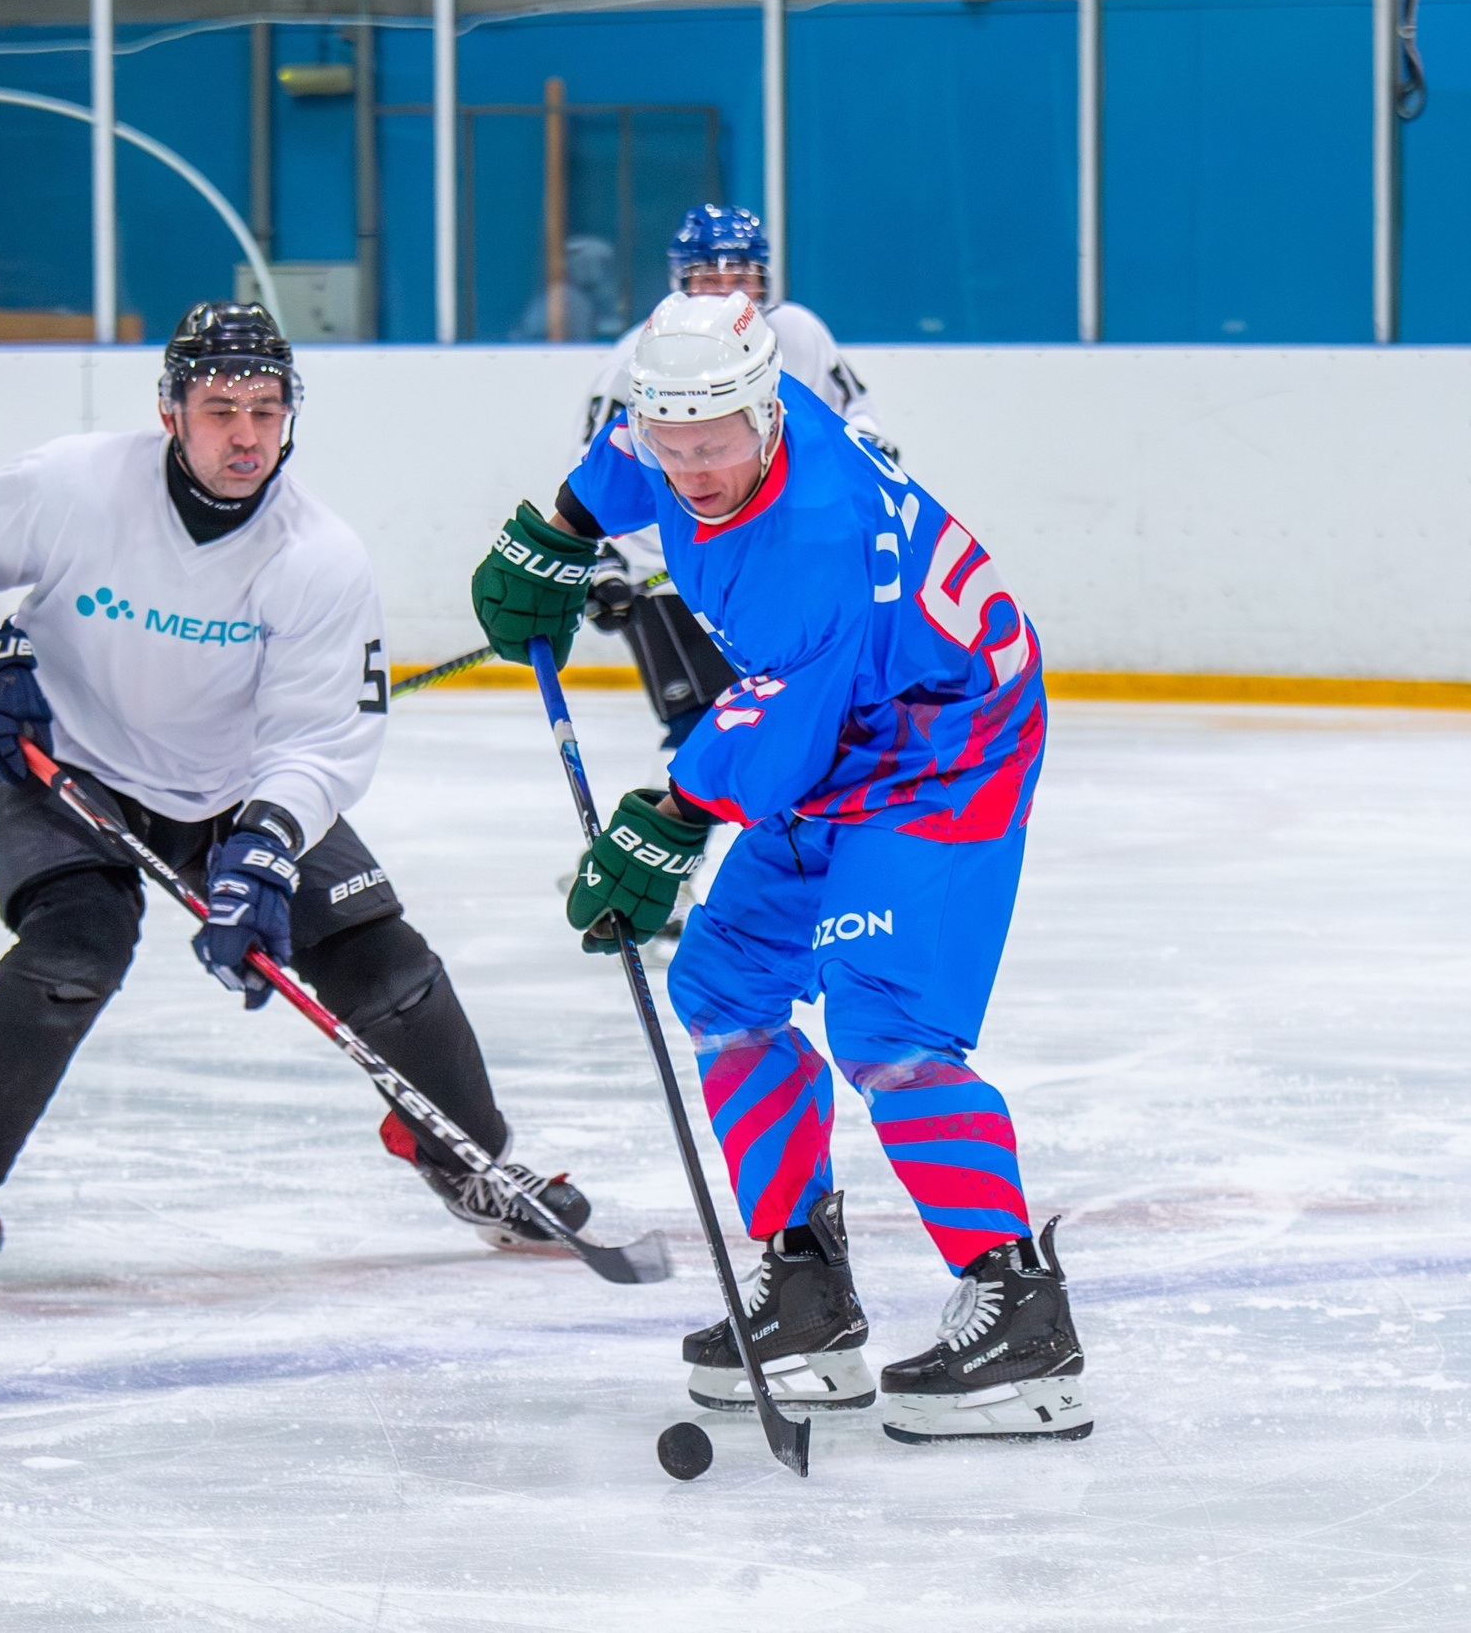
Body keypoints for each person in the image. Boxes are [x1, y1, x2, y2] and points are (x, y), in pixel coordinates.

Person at [468, 291, 1091, 1445]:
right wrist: (554, 531)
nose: (693, 470)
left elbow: (775, 736)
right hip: (853, 722)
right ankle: (804, 1284)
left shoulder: (810, 541)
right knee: (725, 986)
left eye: (714, 445)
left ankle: (1020, 1314)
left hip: (945, 745)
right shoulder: (695, 414)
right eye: (673, 443)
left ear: (766, 414)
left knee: (887, 1028)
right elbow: (623, 462)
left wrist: (660, 824)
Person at [0, 301, 593, 1292]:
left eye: (266, 410)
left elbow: (321, 741)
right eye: (221, 410)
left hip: (230, 786)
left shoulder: (319, 557)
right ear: (170, 411)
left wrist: (264, 843)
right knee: (75, 951)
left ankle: (469, 1156)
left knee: (387, 968)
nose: (247, 436)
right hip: (65, 757)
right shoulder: (75, 486)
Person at [576, 206, 896, 753]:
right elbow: (597, 462)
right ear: (680, 281)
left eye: (742, 276)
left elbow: (855, 417)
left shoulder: (798, 333)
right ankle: (671, 813)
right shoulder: (643, 351)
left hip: (772, 561)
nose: (728, 291)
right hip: (666, 571)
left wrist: (868, 468)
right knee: (699, 730)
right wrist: (601, 559)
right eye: (709, 278)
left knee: (785, 723)